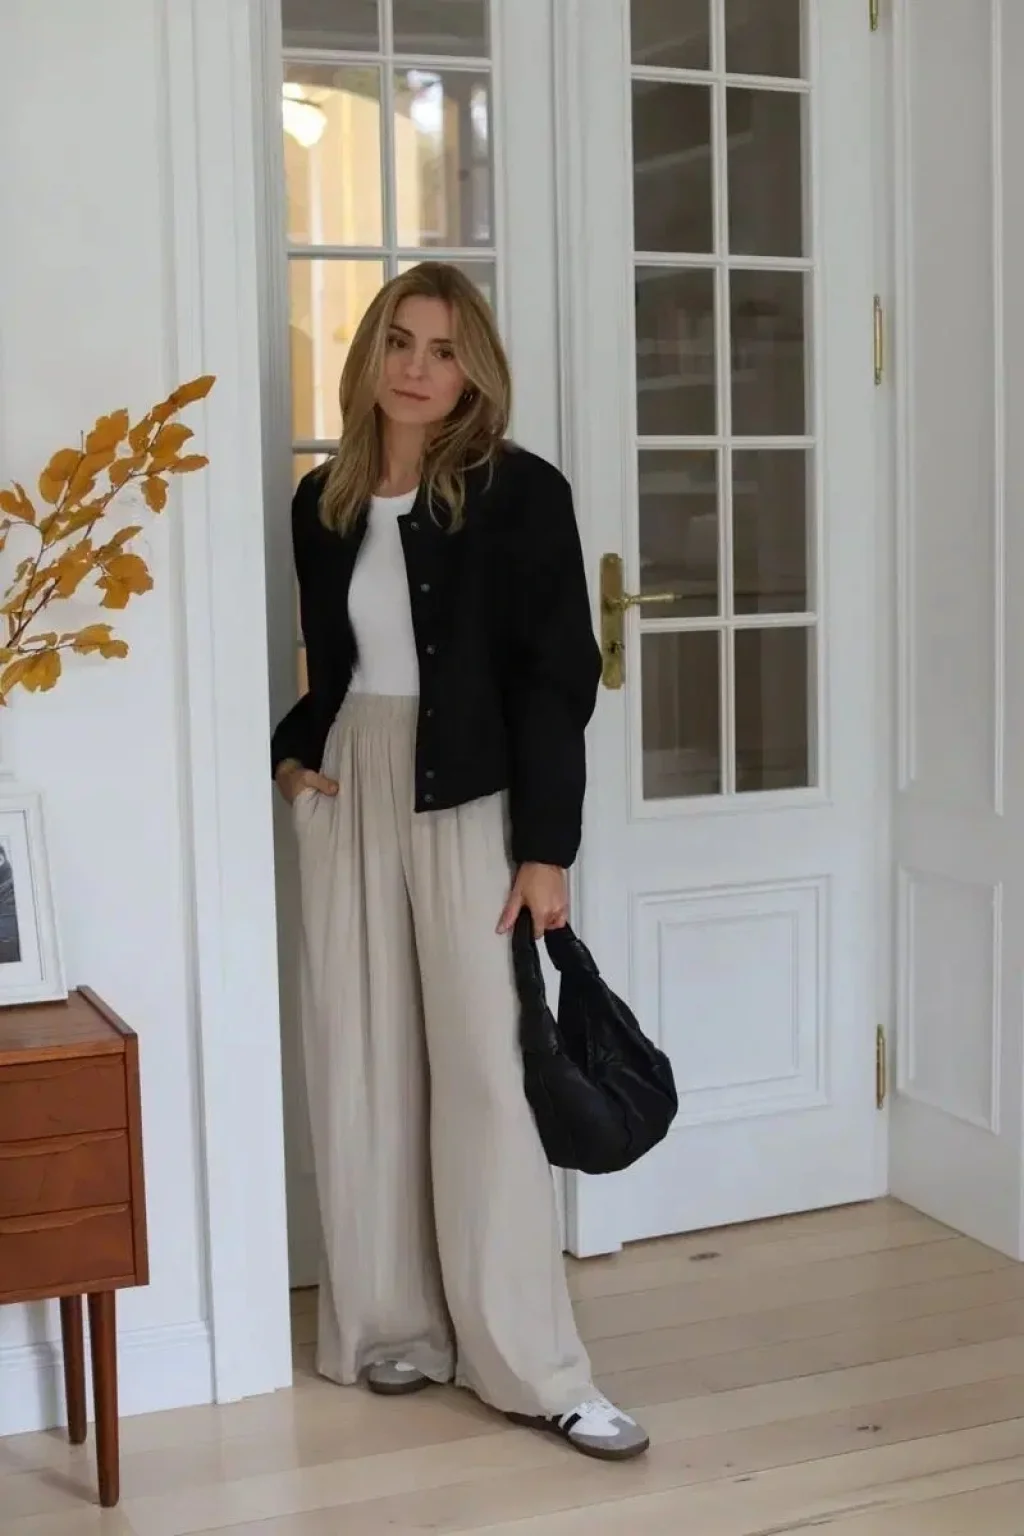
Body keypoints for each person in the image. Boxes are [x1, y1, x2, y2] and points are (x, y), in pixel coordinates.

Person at [272, 261, 649, 1461]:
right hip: (354, 783)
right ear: (368, 356)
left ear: (472, 369)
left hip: (469, 794)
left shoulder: (520, 494)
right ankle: (396, 1328)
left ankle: (535, 1369)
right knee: (361, 1055)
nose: (415, 367)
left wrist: (545, 850)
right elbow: (331, 664)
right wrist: (293, 755)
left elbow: (557, 679)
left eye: (441, 349)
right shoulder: (324, 500)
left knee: (487, 1074)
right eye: (397, 341)